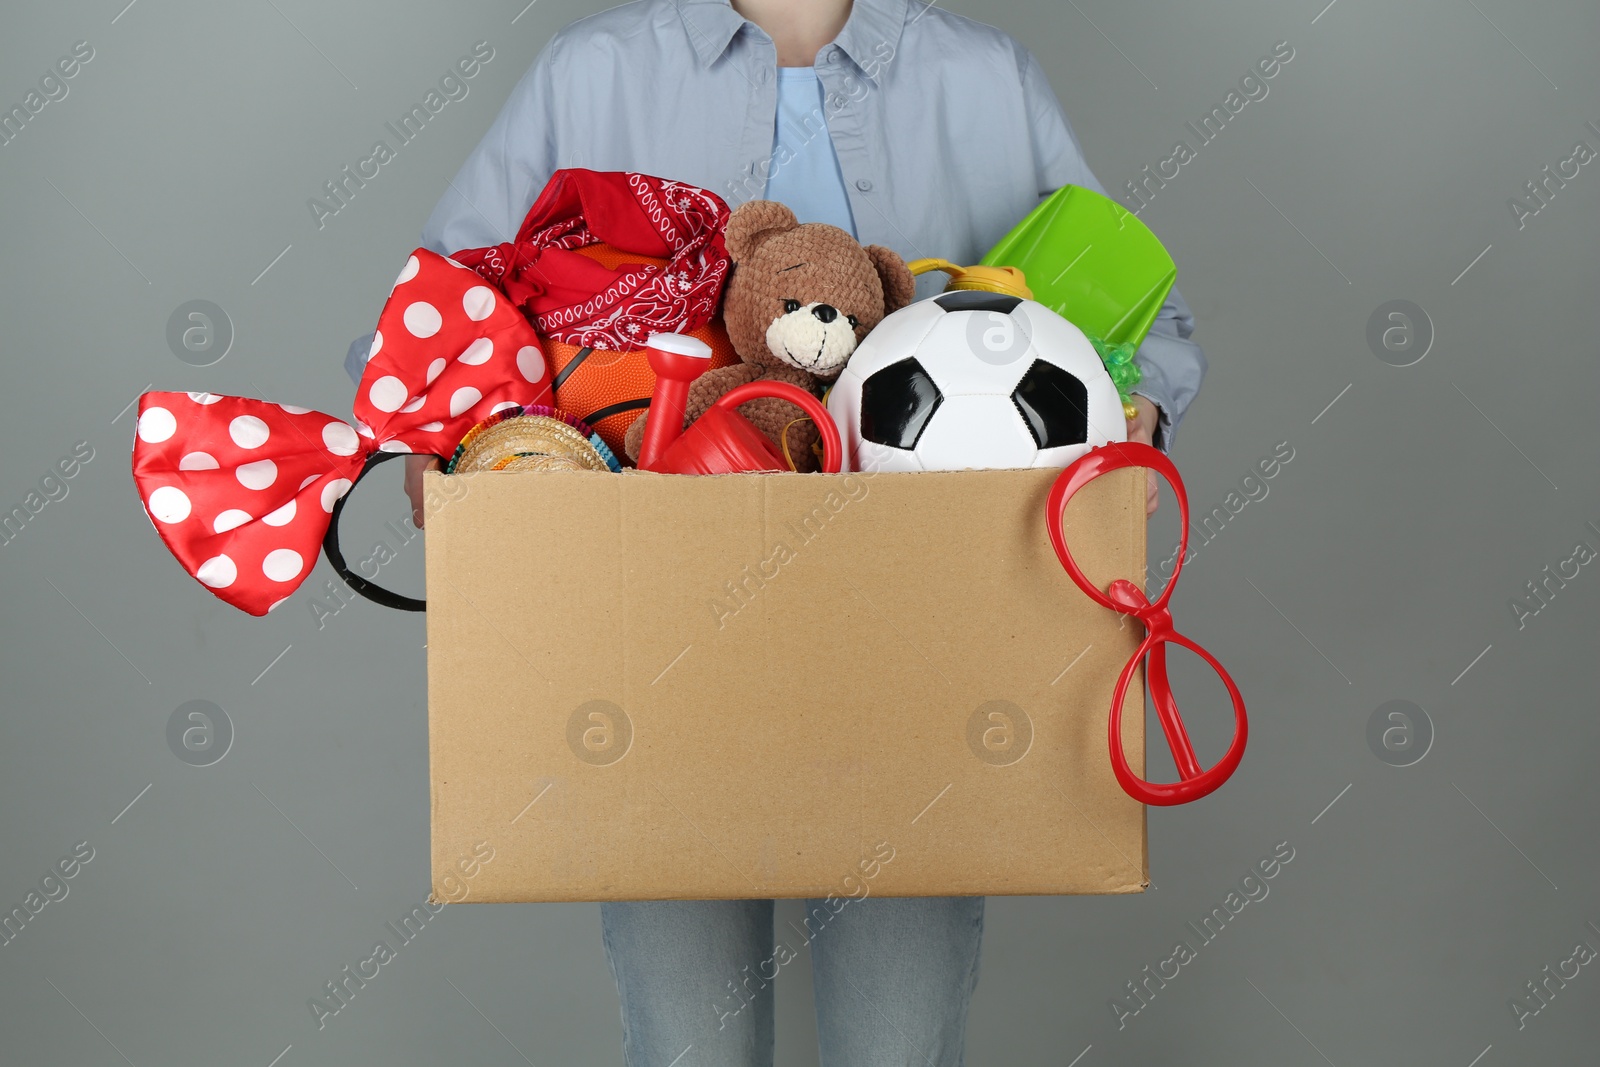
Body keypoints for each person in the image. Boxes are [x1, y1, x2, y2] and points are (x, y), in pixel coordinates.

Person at [353, 2, 1206, 1063]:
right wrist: (443, 442)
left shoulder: (986, 79)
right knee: (686, 1042)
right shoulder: (594, 73)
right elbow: (434, 304)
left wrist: (1138, 414)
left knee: (898, 1041)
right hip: (656, 627)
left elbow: (1144, 329)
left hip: (930, 632)